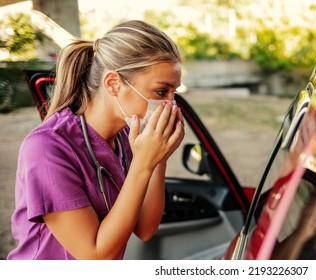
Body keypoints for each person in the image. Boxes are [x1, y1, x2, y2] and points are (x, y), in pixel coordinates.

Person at [7, 20, 184, 260]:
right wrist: (143, 163)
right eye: (162, 92)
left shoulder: (126, 137)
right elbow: (95, 256)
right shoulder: (47, 148)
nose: (170, 105)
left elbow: (145, 229)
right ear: (113, 84)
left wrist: (157, 159)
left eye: (174, 94)